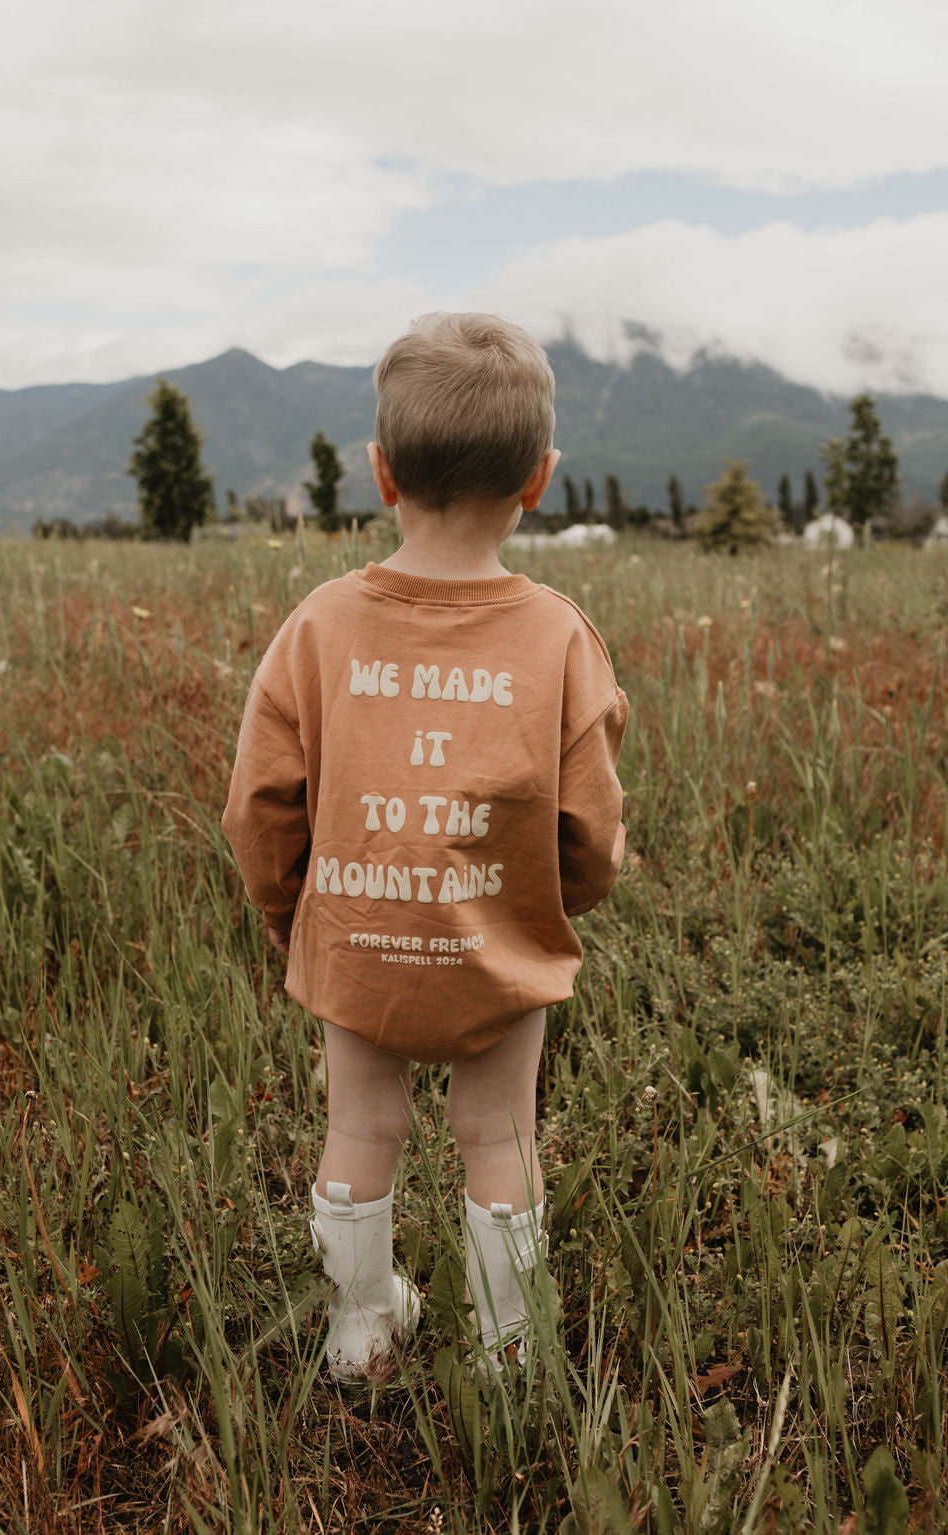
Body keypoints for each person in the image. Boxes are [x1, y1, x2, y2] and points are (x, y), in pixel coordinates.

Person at [222, 313, 628, 1382]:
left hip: (356, 937)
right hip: (496, 943)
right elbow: (588, 825)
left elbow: (260, 804)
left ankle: (359, 1330)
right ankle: (507, 1348)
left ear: (380, 469)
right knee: (499, 1137)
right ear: (539, 478)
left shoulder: (316, 625)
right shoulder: (558, 635)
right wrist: (557, 901)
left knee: (361, 1128)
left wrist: (291, 911)